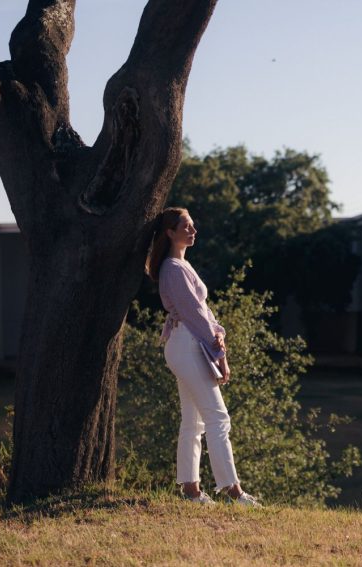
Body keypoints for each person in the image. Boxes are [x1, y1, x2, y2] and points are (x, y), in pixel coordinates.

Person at [146, 207, 260, 507]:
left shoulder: (181, 265)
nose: (193, 230)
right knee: (217, 416)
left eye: (193, 225)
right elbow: (194, 314)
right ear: (170, 232)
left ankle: (191, 491)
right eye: (187, 226)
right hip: (187, 343)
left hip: (187, 343)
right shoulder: (173, 268)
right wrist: (218, 352)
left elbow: (203, 311)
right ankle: (235, 493)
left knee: (194, 420)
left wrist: (218, 336)